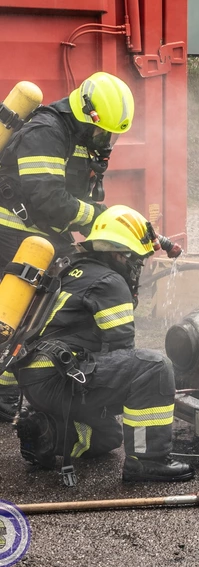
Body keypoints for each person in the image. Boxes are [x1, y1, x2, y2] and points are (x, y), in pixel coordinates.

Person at [12, 205, 193, 484]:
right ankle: (148, 461)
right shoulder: (110, 282)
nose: (137, 268)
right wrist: (160, 387)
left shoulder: (70, 268)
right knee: (154, 368)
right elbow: (123, 350)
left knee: (109, 437)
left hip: (37, 377)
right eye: (135, 260)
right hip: (59, 378)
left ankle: (48, 435)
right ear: (120, 254)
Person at [0, 72, 133, 423]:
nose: (107, 141)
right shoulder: (47, 132)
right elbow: (47, 198)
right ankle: (4, 397)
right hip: (12, 233)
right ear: (88, 114)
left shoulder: (77, 135)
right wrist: (98, 218)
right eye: (105, 132)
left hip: (40, 235)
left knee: (32, 315)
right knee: (13, 315)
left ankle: (11, 394)